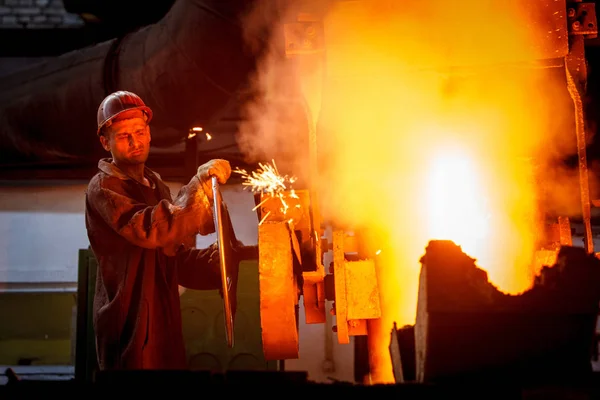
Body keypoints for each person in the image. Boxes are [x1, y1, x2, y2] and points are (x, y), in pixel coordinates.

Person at [84, 90, 231, 370]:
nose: (134, 141)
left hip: (163, 319)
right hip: (129, 320)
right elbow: (151, 230)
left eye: (139, 132)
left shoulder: (156, 186)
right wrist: (198, 188)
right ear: (105, 142)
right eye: (123, 135)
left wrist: (217, 262)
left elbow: (173, 253)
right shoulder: (105, 188)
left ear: (149, 133)